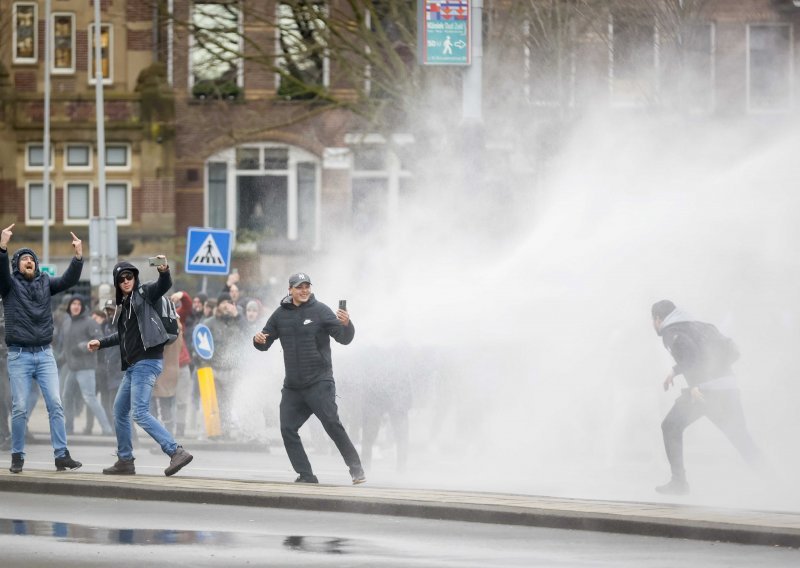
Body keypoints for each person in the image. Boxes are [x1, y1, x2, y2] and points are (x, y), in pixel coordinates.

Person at [253, 272, 365, 485]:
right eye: (299, 287)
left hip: (319, 382)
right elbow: (264, 343)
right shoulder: (279, 315)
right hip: (293, 386)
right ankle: (306, 475)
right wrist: (257, 340)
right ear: (290, 290)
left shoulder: (321, 310)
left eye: (307, 286)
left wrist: (347, 325)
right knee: (287, 429)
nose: (304, 290)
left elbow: (344, 339)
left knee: (332, 424)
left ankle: (356, 469)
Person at [88, 257, 193, 476]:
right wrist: (101, 343)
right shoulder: (125, 306)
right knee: (119, 410)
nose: (126, 281)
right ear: (117, 283)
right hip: (134, 366)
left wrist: (164, 271)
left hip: (147, 362)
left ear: (135, 278)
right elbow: (123, 335)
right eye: (121, 279)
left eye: (129, 276)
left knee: (140, 412)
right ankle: (125, 460)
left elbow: (162, 285)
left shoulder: (144, 294)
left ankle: (176, 451)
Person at [651, 300, 764, 495]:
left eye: (653, 320)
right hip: (728, 387)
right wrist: (676, 371)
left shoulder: (670, 332)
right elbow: (727, 352)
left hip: (704, 392)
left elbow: (692, 356)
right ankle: (775, 483)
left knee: (670, 426)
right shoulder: (700, 326)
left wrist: (693, 384)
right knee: (740, 437)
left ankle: (679, 483)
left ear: (658, 319)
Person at [0, 223, 84, 473]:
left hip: (45, 354)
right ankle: (17, 456)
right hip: (19, 355)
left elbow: (70, 279)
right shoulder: (9, 286)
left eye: (32, 259)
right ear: (17, 266)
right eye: (24, 259)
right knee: (20, 407)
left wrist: (78, 256)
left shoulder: (46, 283)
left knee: (55, 405)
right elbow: (1, 273)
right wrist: (2, 247)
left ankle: (61, 455)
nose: (29, 262)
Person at [61, 296, 113, 436]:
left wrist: (82, 347)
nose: (76, 306)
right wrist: (61, 358)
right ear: (69, 306)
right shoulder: (66, 322)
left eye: (79, 304)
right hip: (72, 367)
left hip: (86, 367)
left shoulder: (90, 322)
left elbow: (100, 340)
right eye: (73, 304)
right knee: (66, 396)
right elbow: (66, 345)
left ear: (83, 307)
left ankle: (107, 429)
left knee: (90, 398)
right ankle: (69, 428)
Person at [204, 292, 247, 438]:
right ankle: (213, 431)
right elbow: (199, 345)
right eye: (223, 302)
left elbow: (249, 336)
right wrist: (205, 366)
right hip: (214, 368)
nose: (226, 305)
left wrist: (238, 317)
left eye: (229, 302)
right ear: (218, 305)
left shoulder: (238, 321)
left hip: (232, 370)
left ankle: (226, 431)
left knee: (228, 402)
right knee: (213, 402)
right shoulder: (209, 323)